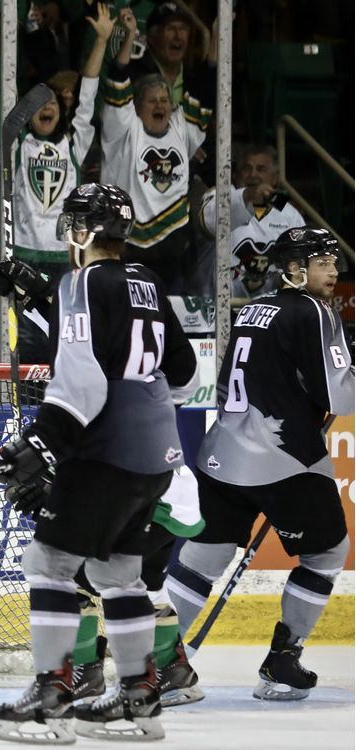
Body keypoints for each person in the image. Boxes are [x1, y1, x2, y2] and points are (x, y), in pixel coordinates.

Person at [0, 184, 198, 744]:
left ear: (81, 231)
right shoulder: (148, 282)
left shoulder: (77, 281)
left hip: (102, 451)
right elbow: (183, 372)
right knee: (116, 575)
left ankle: (50, 701)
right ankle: (139, 698)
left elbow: (80, 379)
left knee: (49, 565)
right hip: (159, 454)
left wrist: (42, 441)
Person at [165, 227, 354, 702]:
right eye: (321, 262)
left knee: (203, 558)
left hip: (220, 453)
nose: (334, 270)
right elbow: (341, 396)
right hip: (284, 460)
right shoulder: (314, 310)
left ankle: (161, 666)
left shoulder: (251, 309)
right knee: (328, 552)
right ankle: (282, 662)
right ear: (293, 269)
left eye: (334, 261)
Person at [101, 6, 212, 295]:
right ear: (135, 106)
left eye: (165, 99)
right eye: (152, 100)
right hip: (128, 246)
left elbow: (205, 83)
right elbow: (118, 77)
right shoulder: (124, 131)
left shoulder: (181, 129)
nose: (161, 105)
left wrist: (215, 38)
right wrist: (128, 39)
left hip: (173, 250)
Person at [11, 2, 112, 283]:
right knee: (25, 329)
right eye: (39, 103)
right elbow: (6, 81)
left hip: (64, 256)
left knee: (63, 327)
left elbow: (89, 92)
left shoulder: (74, 144)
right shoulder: (17, 143)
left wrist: (102, 40)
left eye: (53, 102)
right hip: (23, 254)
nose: (47, 107)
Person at [198, 144, 306, 305]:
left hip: (266, 312)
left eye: (261, 169)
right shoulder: (219, 196)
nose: (253, 175)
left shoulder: (289, 212)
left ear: (275, 178)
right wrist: (248, 196)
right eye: (247, 168)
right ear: (235, 174)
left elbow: (300, 264)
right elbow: (211, 221)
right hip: (214, 310)